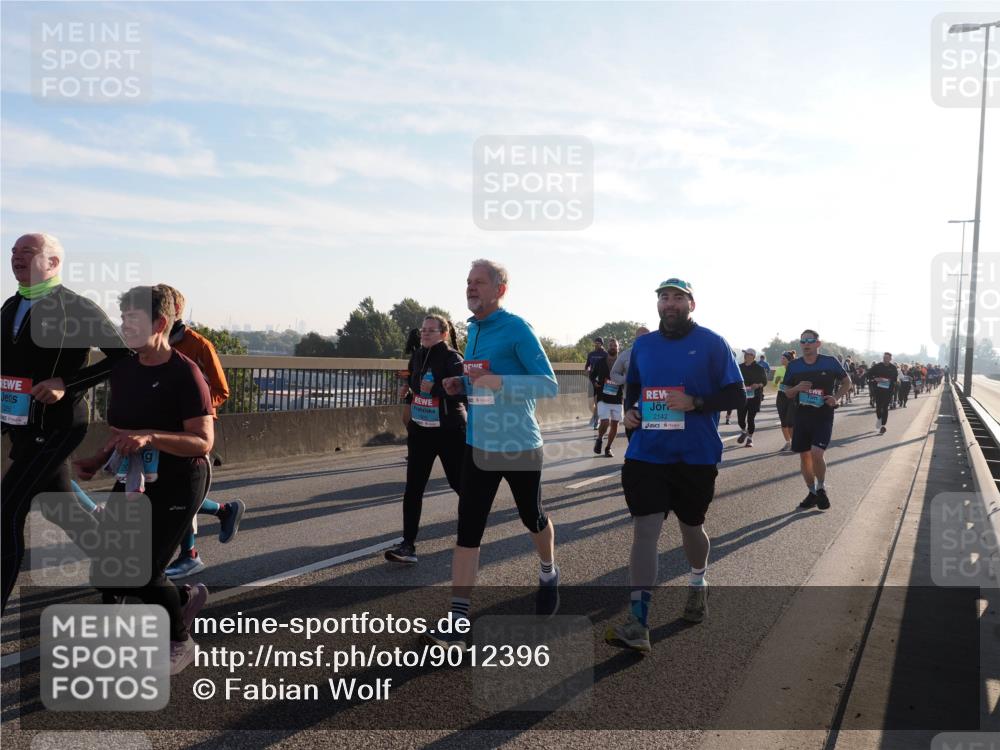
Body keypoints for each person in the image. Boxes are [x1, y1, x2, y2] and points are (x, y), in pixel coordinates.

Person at [72, 285, 212, 674]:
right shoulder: (125, 370)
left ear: (160, 324)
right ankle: (181, 597)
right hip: (135, 477)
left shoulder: (186, 373)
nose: (123, 327)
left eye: (132, 320)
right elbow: (122, 431)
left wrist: (152, 436)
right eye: (122, 319)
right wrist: (97, 458)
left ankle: (180, 641)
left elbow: (203, 441)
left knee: (142, 569)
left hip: (181, 477)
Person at [423, 260, 559, 650]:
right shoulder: (474, 331)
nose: (470, 288)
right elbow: (480, 382)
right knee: (468, 527)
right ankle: (458, 619)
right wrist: (459, 385)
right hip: (478, 443)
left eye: (479, 282)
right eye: (467, 282)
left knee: (531, 517)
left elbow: (548, 386)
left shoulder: (517, 328)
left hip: (519, 444)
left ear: (500, 289)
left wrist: (501, 381)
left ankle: (548, 570)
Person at [605, 278, 744, 653]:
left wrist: (696, 402)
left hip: (695, 455)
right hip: (648, 454)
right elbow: (633, 388)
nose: (670, 303)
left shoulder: (713, 343)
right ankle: (638, 621)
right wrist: (630, 415)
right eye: (664, 297)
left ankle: (698, 582)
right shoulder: (644, 346)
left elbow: (736, 393)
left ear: (691, 305)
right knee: (645, 530)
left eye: (677, 298)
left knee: (691, 527)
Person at [2, 233, 131, 612]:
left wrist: (66, 383)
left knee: (6, 511)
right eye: (13, 252)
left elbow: (122, 356)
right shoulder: (11, 306)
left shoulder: (76, 308)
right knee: (64, 509)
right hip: (21, 425)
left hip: (59, 426)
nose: (16, 257)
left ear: (53, 263)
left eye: (27, 251)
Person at [155, 287, 245, 579]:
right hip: (160, 430)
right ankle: (223, 511)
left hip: (193, 431)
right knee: (164, 490)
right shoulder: (151, 343)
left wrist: (191, 410)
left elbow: (221, 390)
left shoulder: (199, 345)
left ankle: (189, 554)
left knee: (180, 488)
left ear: (176, 311)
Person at [385, 315, 466, 564]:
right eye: (423, 330)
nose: (425, 334)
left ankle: (471, 531)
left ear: (443, 333)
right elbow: (416, 386)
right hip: (421, 429)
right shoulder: (418, 355)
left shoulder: (453, 358)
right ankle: (408, 545)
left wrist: (438, 391)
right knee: (413, 488)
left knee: (459, 484)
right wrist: (409, 394)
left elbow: (463, 391)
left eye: (431, 330)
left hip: (450, 429)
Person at [781, 331, 852, 511]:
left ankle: (821, 487)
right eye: (803, 341)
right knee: (804, 455)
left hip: (823, 415)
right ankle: (812, 492)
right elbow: (787, 392)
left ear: (817, 343)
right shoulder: (794, 366)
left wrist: (835, 398)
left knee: (816, 453)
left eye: (810, 341)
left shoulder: (830, 362)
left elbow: (847, 382)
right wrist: (797, 388)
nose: (806, 344)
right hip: (802, 416)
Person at [610, 327, 650, 441]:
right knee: (631, 429)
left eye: (647, 338)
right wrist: (626, 379)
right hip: (631, 397)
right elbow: (614, 373)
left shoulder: (657, 354)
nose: (644, 340)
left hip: (651, 397)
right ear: (635, 339)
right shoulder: (626, 355)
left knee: (650, 428)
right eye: (640, 338)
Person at [590, 337, 623, 457]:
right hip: (603, 396)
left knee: (615, 424)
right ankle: (599, 438)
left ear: (618, 348)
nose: (613, 347)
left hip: (617, 397)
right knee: (605, 421)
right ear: (607, 347)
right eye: (611, 346)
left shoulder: (622, 362)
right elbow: (592, 375)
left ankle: (608, 448)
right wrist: (594, 382)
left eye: (615, 346)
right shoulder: (600, 362)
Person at [737, 348, 768, 448]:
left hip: (754, 397)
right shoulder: (739, 367)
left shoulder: (759, 368)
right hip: (742, 396)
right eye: (745, 354)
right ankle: (743, 431)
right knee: (740, 419)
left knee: (750, 418)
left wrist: (758, 385)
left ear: (753, 356)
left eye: (748, 354)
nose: (746, 356)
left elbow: (764, 382)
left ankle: (750, 439)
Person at [867, 353, 898, 434]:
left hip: (888, 391)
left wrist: (889, 381)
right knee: (878, 406)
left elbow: (895, 379)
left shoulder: (893, 368)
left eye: (887, 358)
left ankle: (883, 425)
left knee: (885, 407)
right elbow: (869, 374)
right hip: (878, 390)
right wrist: (875, 378)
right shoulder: (878, 366)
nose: (885, 359)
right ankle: (879, 419)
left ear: (890, 359)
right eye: (884, 357)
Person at [773, 351, 797, 451]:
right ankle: (788, 443)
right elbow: (774, 385)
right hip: (781, 396)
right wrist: (777, 380)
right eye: (781, 358)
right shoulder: (779, 369)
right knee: (783, 421)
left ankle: (795, 442)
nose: (781, 360)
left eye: (784, 358)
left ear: (789, 360)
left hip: (792, 396)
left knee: (790, 421)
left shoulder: (795, 370)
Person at [585, 338, 608, 429]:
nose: (596, 344)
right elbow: (587, 365)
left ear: (602, 344)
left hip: (601, 381)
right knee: (590, 404)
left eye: (598, 343)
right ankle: (595, 415)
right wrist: (587, 370)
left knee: (598, 401)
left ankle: (596, 420)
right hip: (591, 380)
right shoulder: (591, 354)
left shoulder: (605, 354)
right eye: (595, 342)